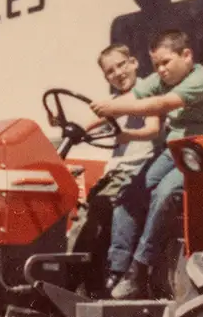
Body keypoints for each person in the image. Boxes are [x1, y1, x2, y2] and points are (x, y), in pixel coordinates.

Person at [89, 29, 203, 299]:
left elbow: (161, 103)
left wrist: (114, 109)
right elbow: (131, 97)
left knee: (164, 194)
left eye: (166, 62)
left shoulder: (201, 80)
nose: (161, 70)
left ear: (186, 55)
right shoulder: (161, 79)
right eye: (157, 65)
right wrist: (85, 125)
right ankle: (116, 269)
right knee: (128, 195)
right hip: (174, 150)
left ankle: (140, 269)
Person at [67, 45, 161, 293]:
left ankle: (111, 274)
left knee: (96, 213)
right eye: (110, 71)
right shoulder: (116, 101)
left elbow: (152, 128)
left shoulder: (148, 90)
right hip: (117, 172)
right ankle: (82, 279)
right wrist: (76, 129)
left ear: (134, 62)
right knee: (85, 214)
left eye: (121, 65)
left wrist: (128, 136)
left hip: (140, 168)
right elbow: (98, 118)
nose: (118, 73)